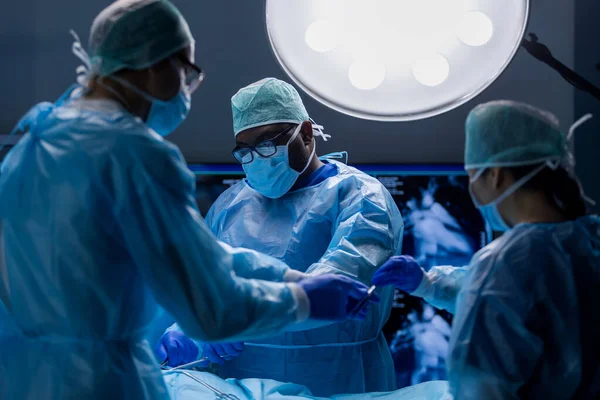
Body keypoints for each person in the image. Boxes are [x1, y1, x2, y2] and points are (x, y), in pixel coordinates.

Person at [0, 2, 376, 399]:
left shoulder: (34, 146)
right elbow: (212, 309)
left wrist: (286, 277)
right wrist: (305, 299)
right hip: (97, 382)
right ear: (153, 64)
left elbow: (200, 254)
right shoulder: (135, 154)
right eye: (187, 73)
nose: (186, 89)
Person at [154, 77, 404, 396]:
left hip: (338, 380)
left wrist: (238, 318)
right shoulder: (229, 205)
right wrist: (187, 329)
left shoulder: (361, 198)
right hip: (239, 385)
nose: (256, 158)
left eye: (267, 143)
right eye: (244, 151)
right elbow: (202, 281)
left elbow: (334, 289)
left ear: (307, 134)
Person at [373, 101, 600, 399]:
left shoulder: (505, 261)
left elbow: (479, 385)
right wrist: (427, 283)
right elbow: (533, 304)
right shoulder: (589, 237)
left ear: (494, 174)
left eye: (472, 175)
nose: (471, 186)